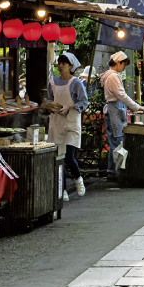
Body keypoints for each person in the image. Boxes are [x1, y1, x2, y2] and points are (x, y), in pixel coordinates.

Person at [45, 51, 88, 199]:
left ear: (70, 66)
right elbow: (50, 99)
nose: (61, 66)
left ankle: (78, 179)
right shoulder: (52, 82)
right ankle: (61, 190)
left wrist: (69, 106)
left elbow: (84, 102)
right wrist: (50, 106)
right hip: (56, 122)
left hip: (71, 122)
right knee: (59, 159)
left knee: (69, 156)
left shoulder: (75, 82)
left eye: (64, 64)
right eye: (59, 63)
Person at [100, 51, 144, 178]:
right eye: (124, 65)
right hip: (114, 110)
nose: (124, 68)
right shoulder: (113, 76)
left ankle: (112, 170)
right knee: (117, 141)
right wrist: (137, 107)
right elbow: (122, 95)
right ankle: (117, 172)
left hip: (114, 110)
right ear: (118, 62)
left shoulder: (110, 75)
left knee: (115, 141)